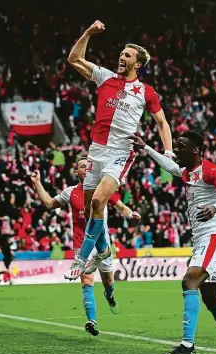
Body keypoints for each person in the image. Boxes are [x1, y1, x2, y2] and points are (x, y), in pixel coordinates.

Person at [129, 132, 216, 354]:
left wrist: (215, 208)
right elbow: (170, 166)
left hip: (213, 237)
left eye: (181, 146)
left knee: (190, 281)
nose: (176, 150)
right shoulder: (187, 172)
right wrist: (146, 147)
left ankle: (187, 346)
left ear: (195, 150)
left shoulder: (211, 170)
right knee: (210, 297)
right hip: (201, 240)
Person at [64, 20, 172, 279]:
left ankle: (81, 259)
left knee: (100, 201)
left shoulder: (146, 92)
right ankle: (103, 249)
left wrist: (167, 153)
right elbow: (74, 58)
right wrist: (88, 31)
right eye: (121, 53)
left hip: (120, 153)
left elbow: (162, 122)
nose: (121, 57)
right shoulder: (105, 77)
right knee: (92, 210)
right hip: (96, 151)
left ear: (138, 63)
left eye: (127, 55)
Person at [31, 157, 141, 336]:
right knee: (87, 281)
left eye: (88, 166)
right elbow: (49, 203)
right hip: (81, 245)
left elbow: (121, 207)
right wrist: (37, 183)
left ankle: (110, 296)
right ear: (77, 172)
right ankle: (92, 320)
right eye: (82, 166)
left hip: (103, 245)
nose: (86, 169)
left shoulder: (102, 190)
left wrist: (131, 214)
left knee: (108, 282)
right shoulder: (70, 192)